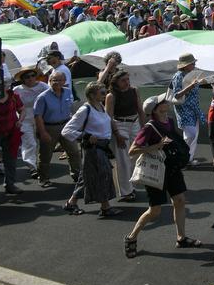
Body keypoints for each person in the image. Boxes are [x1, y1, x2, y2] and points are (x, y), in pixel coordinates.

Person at [124, 95, 201, 257]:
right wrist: (157, 146)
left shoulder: (169, 121)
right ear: (156, 109)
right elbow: (132, 151)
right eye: (163, 102)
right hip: (157, 172)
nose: (166, 102)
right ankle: (131, 237)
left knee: (179, 201)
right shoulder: (149, 127)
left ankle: (181, 238)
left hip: (172, 169)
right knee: (154, 211)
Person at [62, 81, 124, 218]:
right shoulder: (85, 109)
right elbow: (66, 131)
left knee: (87, 177)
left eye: (105, 91)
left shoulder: (100, 106)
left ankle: (71, 202)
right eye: (102, 92)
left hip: (102, 147)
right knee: (101, 175)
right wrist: (85, 136)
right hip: (93, 149)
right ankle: (105, 207)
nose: (105, 94)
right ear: (91, 95)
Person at [34, 71, 80, 187]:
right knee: (45, 155)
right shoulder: (42, 97)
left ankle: (77, 175)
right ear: (49, 81)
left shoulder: (68, 92)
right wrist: (42, 132)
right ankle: (43, 178)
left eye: (60, 80)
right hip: (49, 127)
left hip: (66, 126)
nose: (57, 82)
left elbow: (71, 109)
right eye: (54, 80)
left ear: (64, 81)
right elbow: (38, 116)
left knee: (74, 152)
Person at [104, 70, 145, 202]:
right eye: (123, 80)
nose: (127, 82)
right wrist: (117, 134)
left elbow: (140, 110)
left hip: (134, 123)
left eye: (128, 79)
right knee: (123, 160)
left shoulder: (134, 91)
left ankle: (131, 183)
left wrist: (145, 129)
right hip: (120, 125)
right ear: (116, 82)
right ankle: (126, 191)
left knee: (136, 155)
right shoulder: (111, 96)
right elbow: (109, 117)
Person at [169, 53, 210, 165]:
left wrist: (200, 82)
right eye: (192, 63)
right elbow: (177, 95)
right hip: (183, 107)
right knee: (191, 134)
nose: (194, 65)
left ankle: (188, 159)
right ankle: (182, 156)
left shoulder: (191, 74)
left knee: (194, 134)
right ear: (186, 65)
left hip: (193, 107)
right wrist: (190, 86)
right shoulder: (178, 76)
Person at [13, 67, 48, 178]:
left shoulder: (43, 86)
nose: (31, 78)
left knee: (42, 142)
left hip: (41, 118)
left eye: (33, 75)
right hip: (24, 119)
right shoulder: (17, 90)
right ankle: (32, 166)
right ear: (23, 79)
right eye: (27, 77)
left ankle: (41, 162)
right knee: (29, 143)